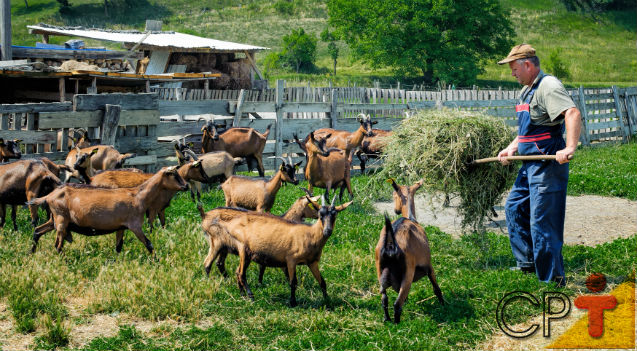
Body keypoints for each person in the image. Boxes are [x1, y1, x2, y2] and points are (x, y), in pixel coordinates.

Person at [496, 44, 582, 287]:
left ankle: (552, 277)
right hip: (529, 165)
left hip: (547, 164)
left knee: (543, 221)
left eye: (514, 68)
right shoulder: (527, 90)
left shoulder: (548, 86)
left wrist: (570, 147)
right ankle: (528, 264)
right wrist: (513, 146)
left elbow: (572, 113)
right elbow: (529, 129)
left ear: (528, 64)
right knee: (514, 208)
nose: (512, 73)